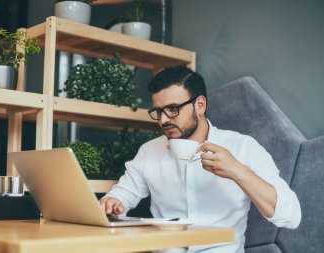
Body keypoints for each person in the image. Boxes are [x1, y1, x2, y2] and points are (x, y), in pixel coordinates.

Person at [99, 66, 301, 253]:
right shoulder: (149, 152)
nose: (163, 120)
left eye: (172, 109)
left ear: (200, 105)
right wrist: (112, 203)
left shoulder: (242, 147)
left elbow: (291, 216)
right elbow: (121, 197)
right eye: (158, 111)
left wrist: (238, 171)